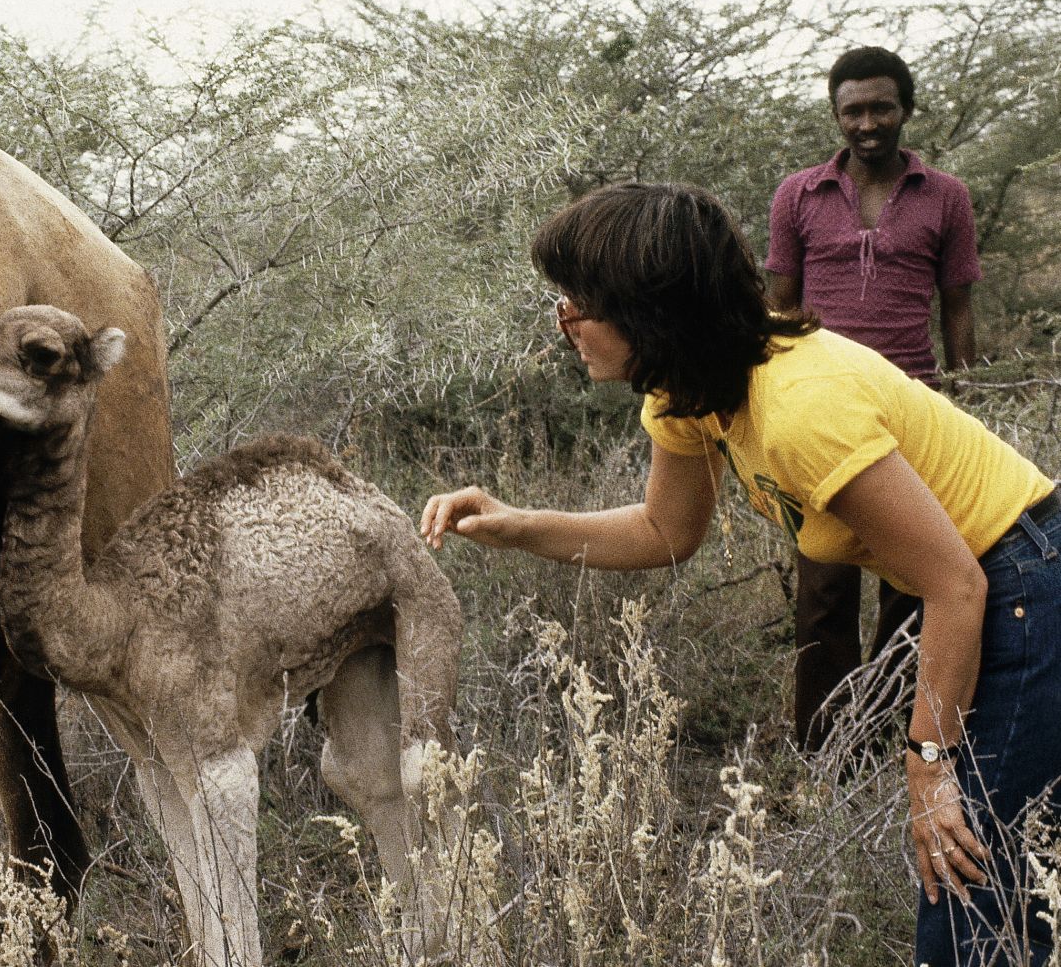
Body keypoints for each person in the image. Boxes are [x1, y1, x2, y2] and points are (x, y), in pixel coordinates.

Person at [420, 182, 1058, 966]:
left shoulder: (799, 406)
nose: (565, 322)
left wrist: (926, 766)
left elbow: (958, 585)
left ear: (648, 308)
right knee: (999, 869)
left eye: (576, 302)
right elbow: (665, 529)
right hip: (989, 584)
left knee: (969, 883)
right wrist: (516, 524)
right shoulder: (687, 391)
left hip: (1025, 578)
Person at [767, 45, 983, 751]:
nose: (867, 122)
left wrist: (965, 400)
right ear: (836, 115)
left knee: (914, 588)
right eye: (853, 110)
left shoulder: (944, 196)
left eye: (880, 107)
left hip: (913, 413)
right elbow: (781, 306)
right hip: (819, 417)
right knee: (823, 593)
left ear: (905, 110)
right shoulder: (797, 195)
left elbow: (957, 308)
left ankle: (886, 739)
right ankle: (822, 754)